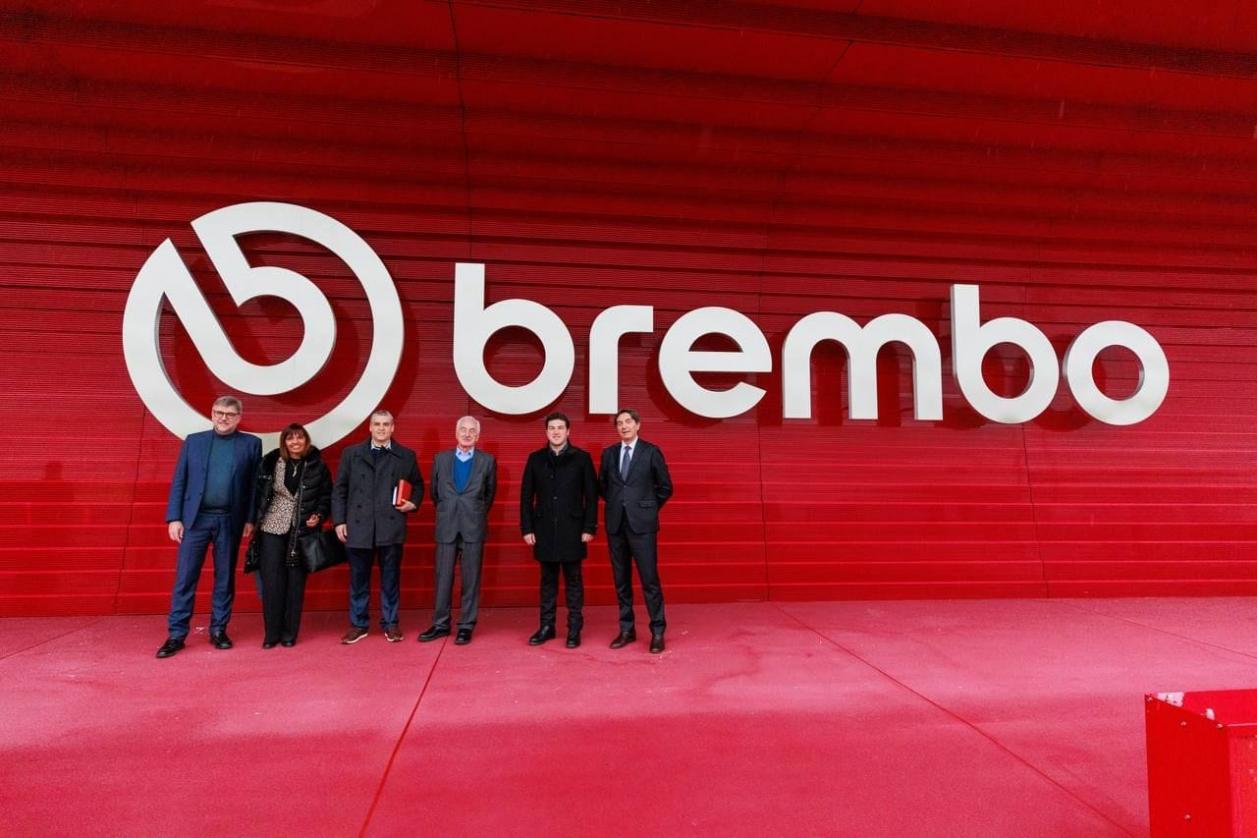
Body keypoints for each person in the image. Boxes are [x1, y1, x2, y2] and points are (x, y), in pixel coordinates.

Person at [156, 396, 262, 658]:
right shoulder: (194, 442)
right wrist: (174, 518)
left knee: (224, 578)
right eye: (218, 412)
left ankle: (218, 630)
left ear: (238, 417)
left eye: (229, 414)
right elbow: (180, 480)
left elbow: (254, 487)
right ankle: (176, 634)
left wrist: (250, 519)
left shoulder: (251, 444)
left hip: (230, 520)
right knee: (185, 577)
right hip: (195, 520)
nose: (223, 418)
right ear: (212, 414)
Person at [332, 409, 423, 644]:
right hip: (358, 526)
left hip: (390, 526)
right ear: (370, 427)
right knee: (358, 580)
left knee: (390, 580)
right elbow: (340, 490)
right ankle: (359, 624)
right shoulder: (351, 454)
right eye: (377, 424)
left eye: (386, 424)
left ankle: (391, 624)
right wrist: (339, 521)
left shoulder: (406, 456)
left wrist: (413, 503)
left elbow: (418, 485)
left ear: (393, 428)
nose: (381, 428)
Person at [250, 423, 331, 648]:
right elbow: (257, 494)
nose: (295, 442)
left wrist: (319, 515)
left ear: (306, 441)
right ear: (284, 442)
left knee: (295, 583)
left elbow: (326, 496)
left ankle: (289, 634)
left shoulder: (318, 466)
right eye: (290, 438)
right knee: (272, 582)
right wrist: (252, 522)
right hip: (272, 528)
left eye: (299, 438)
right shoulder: (270, 463)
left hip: (302, 531)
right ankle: (271, 634)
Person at [599, 408, 673, 654]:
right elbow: (603, 486)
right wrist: (619, 505)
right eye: (619, 423)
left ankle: (658, 630)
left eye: (628, 422)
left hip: (643, 526)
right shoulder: (609, 453)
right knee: (621, 581)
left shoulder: (651, 452)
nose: (624, 426)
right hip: (616, 525)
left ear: (638, 425)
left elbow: (665, 487)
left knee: (649, 580)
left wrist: (647, 508)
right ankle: (627, 629)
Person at [520, 412, 597, 648]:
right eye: (552, 428)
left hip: (573, 529)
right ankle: (547, 626)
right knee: (547, 581)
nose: (556, 432)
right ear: (546, 432)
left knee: (573, 581)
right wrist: (527, 527)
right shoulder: (535, 459)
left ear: (568, 431)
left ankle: (574, 629)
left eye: (560, 428)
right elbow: (526, 497)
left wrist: (589, 527)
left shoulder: (582, 458)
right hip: (544, 529)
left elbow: (591, 497)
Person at [418, 416, 497, 646]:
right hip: (447, 526)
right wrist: (450, 510)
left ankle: (466, 626)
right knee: (443, 577)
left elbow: (489, 495)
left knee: (471, 579)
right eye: (463, 429)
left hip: (473, 526)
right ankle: (441, 624)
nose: (467, 433)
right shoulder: (440, 459)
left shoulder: (487, 461)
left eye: (472, 430)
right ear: (456, 432)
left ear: (478, 435)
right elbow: (435, 493)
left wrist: (473, 512)